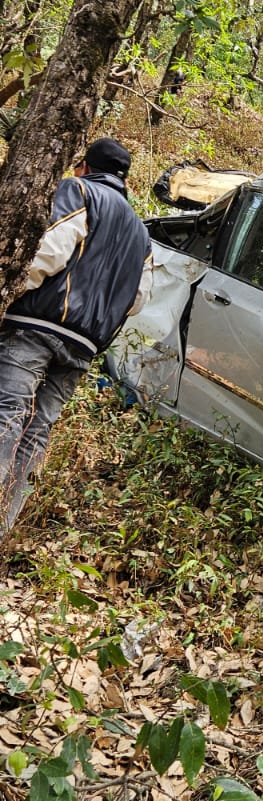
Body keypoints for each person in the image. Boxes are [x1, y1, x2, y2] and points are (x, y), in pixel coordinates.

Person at [0, 137, 153, 534]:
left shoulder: (78, 190)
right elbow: (138, 299)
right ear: (126, 181)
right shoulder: (142, 234)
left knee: (8, 416)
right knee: (37, 433)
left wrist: (13, 291)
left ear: (83, 165)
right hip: (84, 346)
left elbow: (49, 252)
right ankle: (5, 524)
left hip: (36, 327)